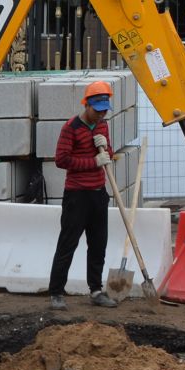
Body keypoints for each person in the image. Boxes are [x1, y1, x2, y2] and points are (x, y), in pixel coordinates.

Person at [48, 78, 120, 310]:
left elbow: (108, 154)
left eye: (104, 111)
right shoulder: (71, 128)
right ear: (86, 105)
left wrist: (107, 149)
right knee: (67, 244)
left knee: (98, 244)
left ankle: (96, 290)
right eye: (97, 111)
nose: (101, 115)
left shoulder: (103, 125)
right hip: (77, 195)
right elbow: (62, 160)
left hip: (99, 193)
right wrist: (93, 161)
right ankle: (56, 292)